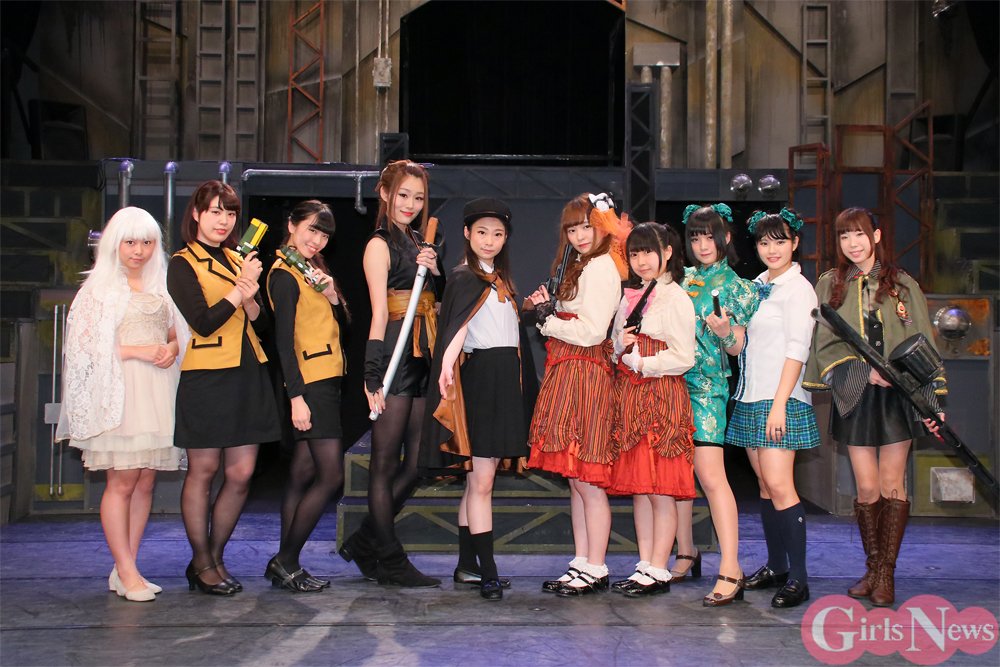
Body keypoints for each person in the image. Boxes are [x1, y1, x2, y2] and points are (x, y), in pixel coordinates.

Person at [804, 207, 946, 608]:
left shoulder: (902, 284)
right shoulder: (830, 284)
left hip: (899, 395)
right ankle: (872, 567)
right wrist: (864, 372)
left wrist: (934, 399)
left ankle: (885, 574)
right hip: (856, 393)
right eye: (844, 236)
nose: (852, 243)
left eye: (859, 234)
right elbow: (823, 343)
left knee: (891, 482)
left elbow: (923, 341)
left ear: (876, 236)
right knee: (866, 487)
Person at [57, 207, 184, 602]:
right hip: (121, 391)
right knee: (123, 480)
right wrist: (137, 351)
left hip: (158, 389)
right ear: (115, 243)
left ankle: (126, 566)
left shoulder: (161, 285)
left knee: (145, 480)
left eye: (147, 242)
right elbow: (83, 350)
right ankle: (127, 572)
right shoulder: (98, 291)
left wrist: (171, 348)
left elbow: (177, 333)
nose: (139, 250)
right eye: (130, 242)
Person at [167, 180, 281, 595]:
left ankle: (213, 558)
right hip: (207, 374)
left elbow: (262, 323)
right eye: (215, 211)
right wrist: (239, 289)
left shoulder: (238, 258)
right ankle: (201, 562)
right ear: (197, 214)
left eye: (230, 213)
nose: (224, 220)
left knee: (242, 473)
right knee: (204, 470)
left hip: (248, 371)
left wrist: (250, 297)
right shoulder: (182, 263)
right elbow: (203, 321)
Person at [421, 198, 536, 600]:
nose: (490, 240)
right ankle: (487, 571)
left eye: (498, 234)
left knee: (477, 481)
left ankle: (467, 566)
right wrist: (445, 365)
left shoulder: (502, 281)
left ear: (506, 239)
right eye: (482, 232)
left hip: (505, 381)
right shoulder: (462, 277)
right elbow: (456, 328)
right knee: (482, 480)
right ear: (467, 234)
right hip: (481, 380)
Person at [341, 160, 442, 587]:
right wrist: (372, 374)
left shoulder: (421, 243)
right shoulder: (378, 245)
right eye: (403, 195)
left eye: (418, 197)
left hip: (423, 353)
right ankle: (389, 556)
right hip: (395, 356)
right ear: (384, 194)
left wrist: (434, 270)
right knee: (384, 462)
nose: (410, 204)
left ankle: (367, 541)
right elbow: (379, 313)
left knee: (418, 463)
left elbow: (437, 300)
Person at [526, 192, 629, 597]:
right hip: (570, 370)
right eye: (572, 229)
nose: (580, 235)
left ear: (602, 226)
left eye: (587, 226)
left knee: (588, 478)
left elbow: (592, 332)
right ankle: (583, 561)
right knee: (576, 479)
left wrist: (548, 320)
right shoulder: (582, 264)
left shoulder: (602, 267)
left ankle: (596, 565)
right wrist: (550, 310)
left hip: (586, 373)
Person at [726, 208, 820, 609]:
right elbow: (740, 347)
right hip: (751, 395)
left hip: (781, 399)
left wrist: (779, 404)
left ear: (795, 243)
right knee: (765, 486)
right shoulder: (757, 286)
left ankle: (798, 578)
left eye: (780, 241)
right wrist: (725, 331)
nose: (772, 249)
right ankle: (777, 566)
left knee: (781, 486)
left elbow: (798, 349)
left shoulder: (799, 289)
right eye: (764, 242)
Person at [607, 222, 696, 598]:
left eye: (648, 251)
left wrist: (643, 362)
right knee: (640, 489)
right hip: (631, 396)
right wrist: (620, 346)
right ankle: (645, 564)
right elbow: (615, 347)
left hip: (661, 396)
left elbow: (685, 356)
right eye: (634, 253)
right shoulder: (629, 296)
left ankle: (659, 567)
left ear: (668, 252)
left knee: (660, 488)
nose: (642, 260)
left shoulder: (676, 297)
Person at [677, 204, 760, 606]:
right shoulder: (681, 279)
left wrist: (726, 333)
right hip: (669, 384)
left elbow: (737, 347)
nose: (702, 245)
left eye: (709, 236)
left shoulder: (738, 287)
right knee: (676, 474)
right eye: (695, 237)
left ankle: (731, 567)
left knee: (711, 476)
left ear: (725, 237)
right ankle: (684, 551)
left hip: (708, 387)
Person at [265, 200, 349, 592]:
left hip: (326, 378)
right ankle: (285, 560)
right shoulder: (284, 274)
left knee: (302, 473)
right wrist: (296, 398)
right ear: (292, 225)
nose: (317, 240)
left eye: (324, 234)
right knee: (331, 476)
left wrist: (332, 296)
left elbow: (341, 325)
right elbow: (283, 343)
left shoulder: (311, 271)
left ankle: (288, 563)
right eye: (311, 230)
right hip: (310, 385)